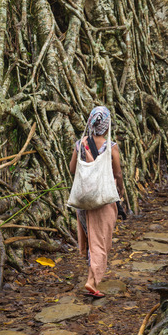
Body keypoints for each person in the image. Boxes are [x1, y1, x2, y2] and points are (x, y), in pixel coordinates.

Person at [69, 106, 124, 298]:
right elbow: (117, 173)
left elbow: (72, 169)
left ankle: (90, 274)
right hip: (103, 200)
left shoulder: (80, 144)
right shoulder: (111, 147)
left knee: (90, 238)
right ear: (107, 126)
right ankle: (92, 282)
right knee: (100, 241)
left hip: (83, 201)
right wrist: (121, 190)